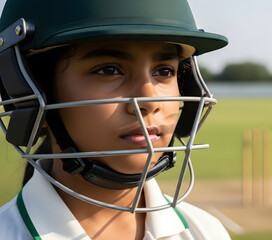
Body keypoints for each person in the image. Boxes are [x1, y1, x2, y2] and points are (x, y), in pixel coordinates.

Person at [0, 0, 229, 239]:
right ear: (29, 97)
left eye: (164, 71)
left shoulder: (206, 231)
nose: (149, 101)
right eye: (109, 70)